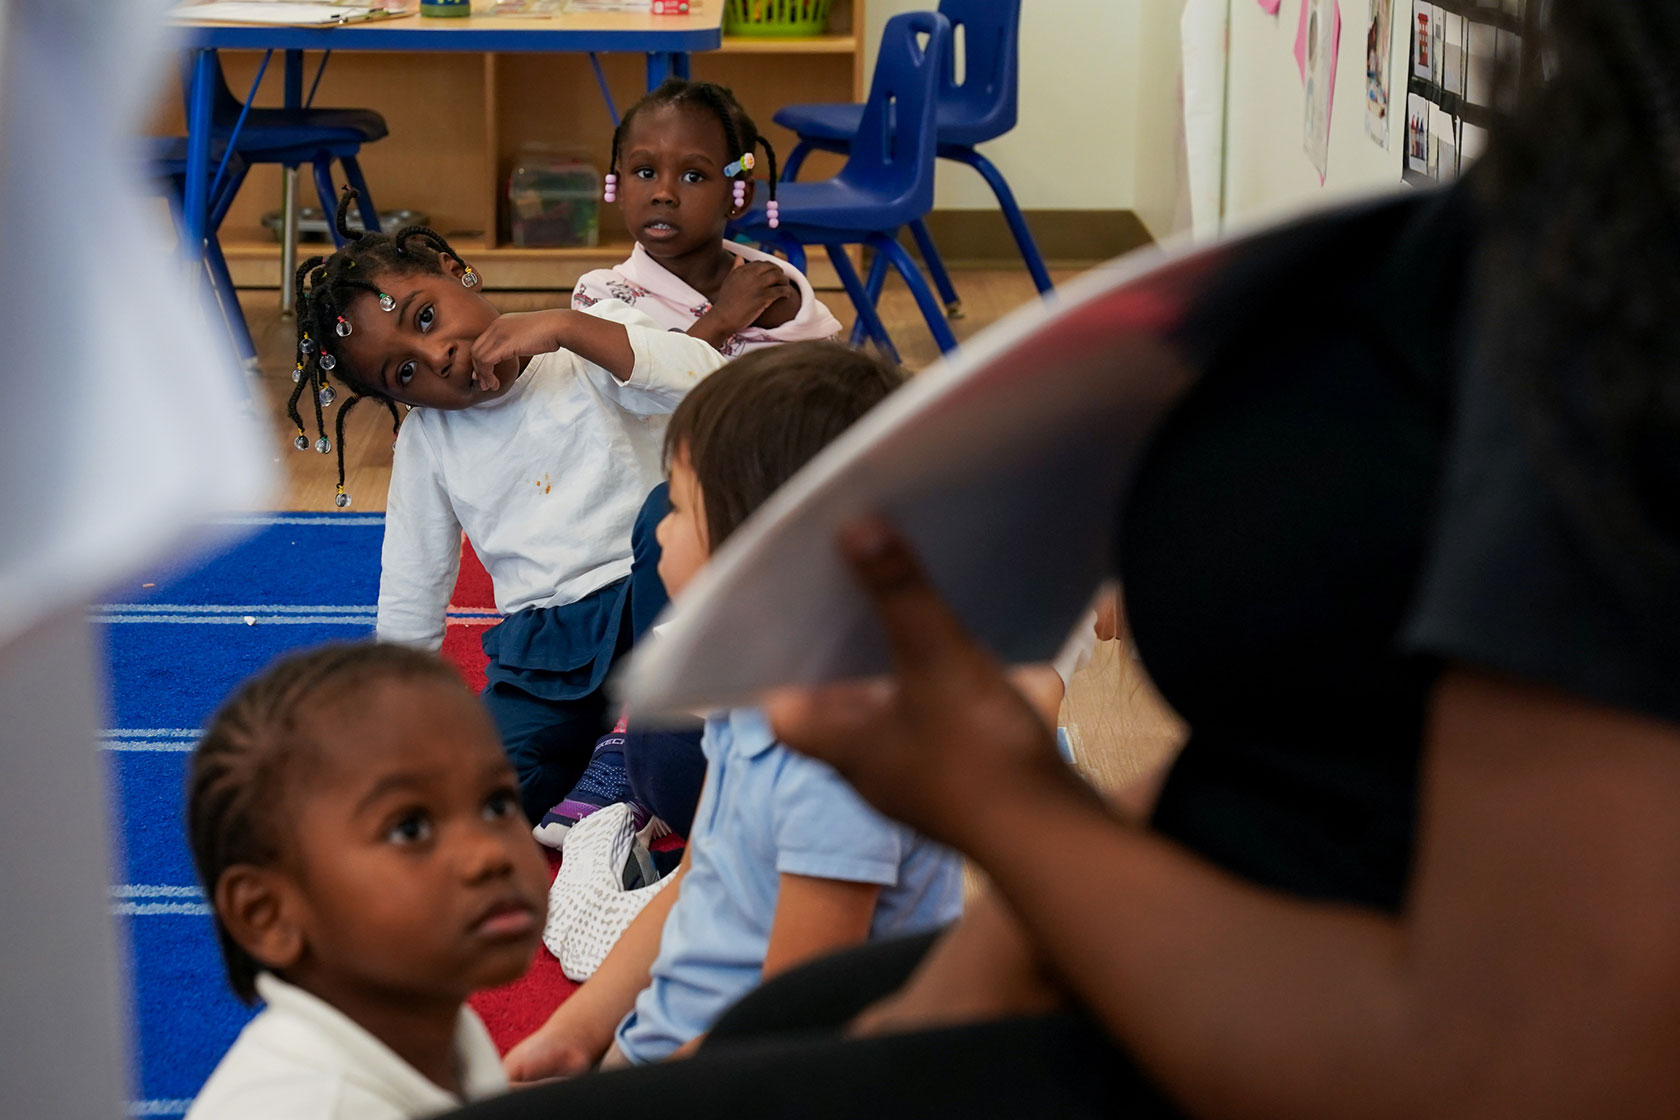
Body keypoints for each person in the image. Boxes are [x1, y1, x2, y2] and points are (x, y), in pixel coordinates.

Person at [438, 2, 1680, 1115]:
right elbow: (1289, 780)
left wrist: (998, 796)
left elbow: (1519, 1053)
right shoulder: (1575, 188)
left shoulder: (1613, 359)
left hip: (1249, 1023)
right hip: (1151, 947)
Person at [502, 342, 964, 1078]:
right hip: (684, 1048)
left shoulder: (838, 766)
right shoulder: (755, 690)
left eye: (679, 508)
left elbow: (798, 1017)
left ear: (764, 550)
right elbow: (700, 882)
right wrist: (582, 1028)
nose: (658, 531)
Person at [286, 189, 752, 824]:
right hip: (549, 651)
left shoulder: (591, 342)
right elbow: (411, 587)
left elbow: (710, 382)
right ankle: (614, 769)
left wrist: (568, 327)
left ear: (456, 273)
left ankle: (631, 742)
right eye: (403, 375)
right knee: (481, 791)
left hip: (655, 599)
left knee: (670, 511)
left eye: (425, 318)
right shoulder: (428, 442)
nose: (436, 357)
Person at [532, 78, 845, 850]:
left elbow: (808, 405)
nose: (664, 193)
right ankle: (630, 737)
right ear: (614, 187)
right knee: (662, 514)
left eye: (694, 175)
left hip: (773, 507)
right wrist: (724, 321)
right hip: (653, 516)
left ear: (737, 192)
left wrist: (747, 314)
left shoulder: (777, 285)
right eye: (643, 172)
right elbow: (642, 390)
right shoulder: (603, 293)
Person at [183, 643, 550, 1119]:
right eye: (410, 829)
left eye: (497, 804)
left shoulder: (440, 1027)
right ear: (267, 914)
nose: (488, 855)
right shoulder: (313, 1107)